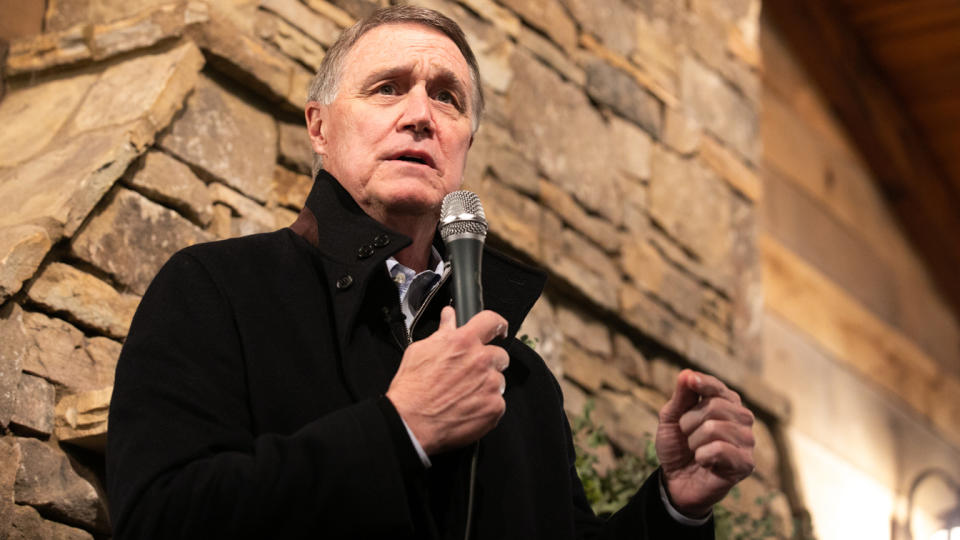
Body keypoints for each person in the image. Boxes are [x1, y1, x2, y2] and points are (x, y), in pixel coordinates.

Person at [106, 6, 755, 539]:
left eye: (447, 98)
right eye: (387, 87)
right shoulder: (216, 291)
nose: (420, 113)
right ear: (319, 126)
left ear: (465, 145)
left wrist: (675, 505)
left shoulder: (522, 381)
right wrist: (397, 430)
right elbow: (163, 517)